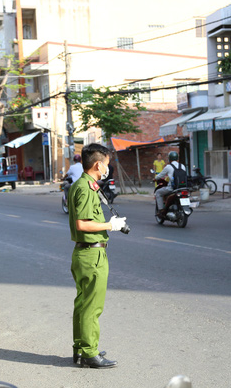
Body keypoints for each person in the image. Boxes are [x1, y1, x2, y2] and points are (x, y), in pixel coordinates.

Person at [68, 143, 126, 369]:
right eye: (107, 165)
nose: (107, 169)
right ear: (97, 164)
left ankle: (82, 348)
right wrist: (110, 226)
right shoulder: (84, 187)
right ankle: (90, 353)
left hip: (87, 254)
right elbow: (82, 224)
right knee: (92, 306)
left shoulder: (84, 185)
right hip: (91, 255)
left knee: (83, 304)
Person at [154, 151, 186, 216]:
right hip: (183, 187)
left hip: (172, 188)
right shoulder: (182, 166)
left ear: (169, 159)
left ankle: (161, 210)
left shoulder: (168, 167)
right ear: (177, 159)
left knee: (158, 192)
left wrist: (155, 178)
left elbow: (160, 175)